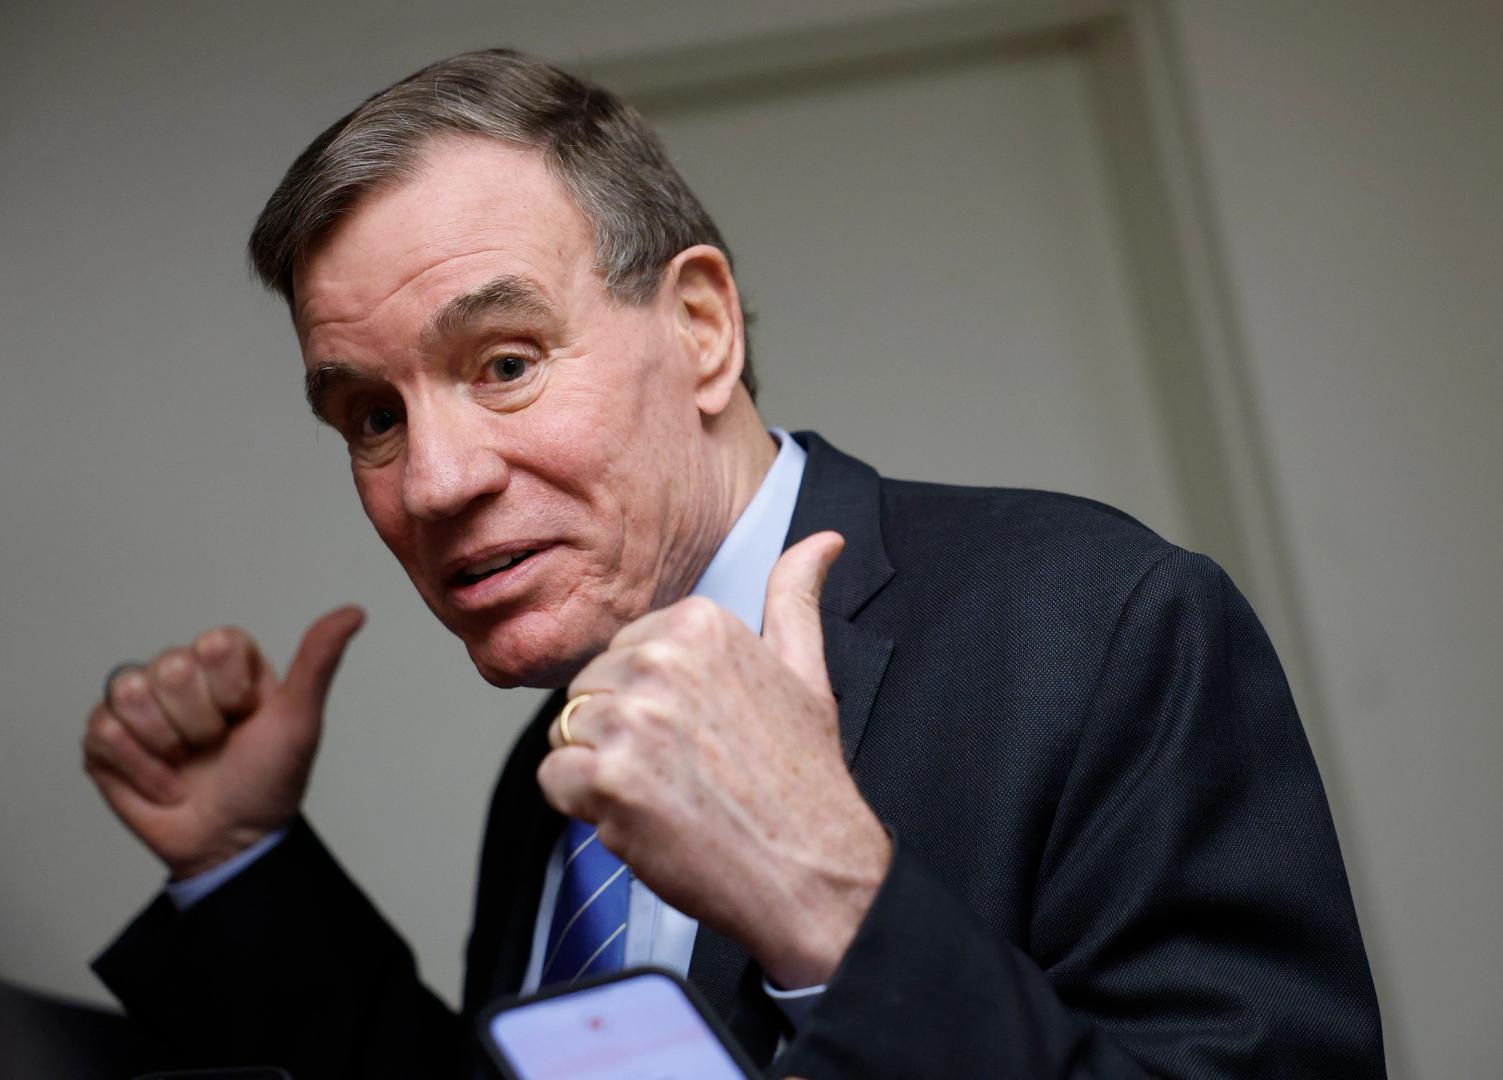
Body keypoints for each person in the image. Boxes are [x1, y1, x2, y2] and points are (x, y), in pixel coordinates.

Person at [83, 49, 1384, 1078]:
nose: (432, 481)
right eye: (372, 417)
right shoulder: (560, 768)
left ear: (702, 327)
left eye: (507, 363)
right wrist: (239, 859)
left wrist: (836, 914)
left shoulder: (1099, 625)